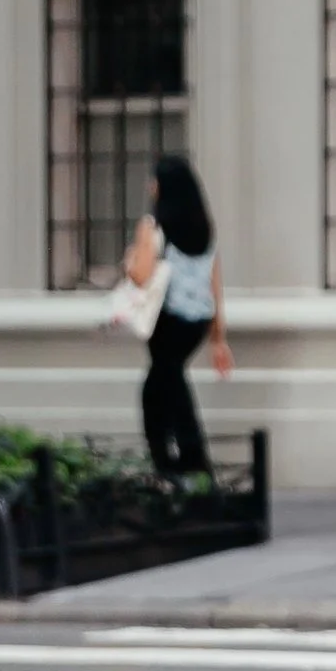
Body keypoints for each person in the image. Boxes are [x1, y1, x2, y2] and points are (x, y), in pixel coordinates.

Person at [123, 156, 230, 477]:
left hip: (168, 318)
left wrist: (129, 262)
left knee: (160, 386)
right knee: (167, 380)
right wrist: (218, 338)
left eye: (154, 180)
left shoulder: (153, 226)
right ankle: (185, 458)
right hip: (197, 321)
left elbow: (140, 275)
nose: (150, 187)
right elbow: (214, 282)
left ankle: (175, 460)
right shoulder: (204, 227)